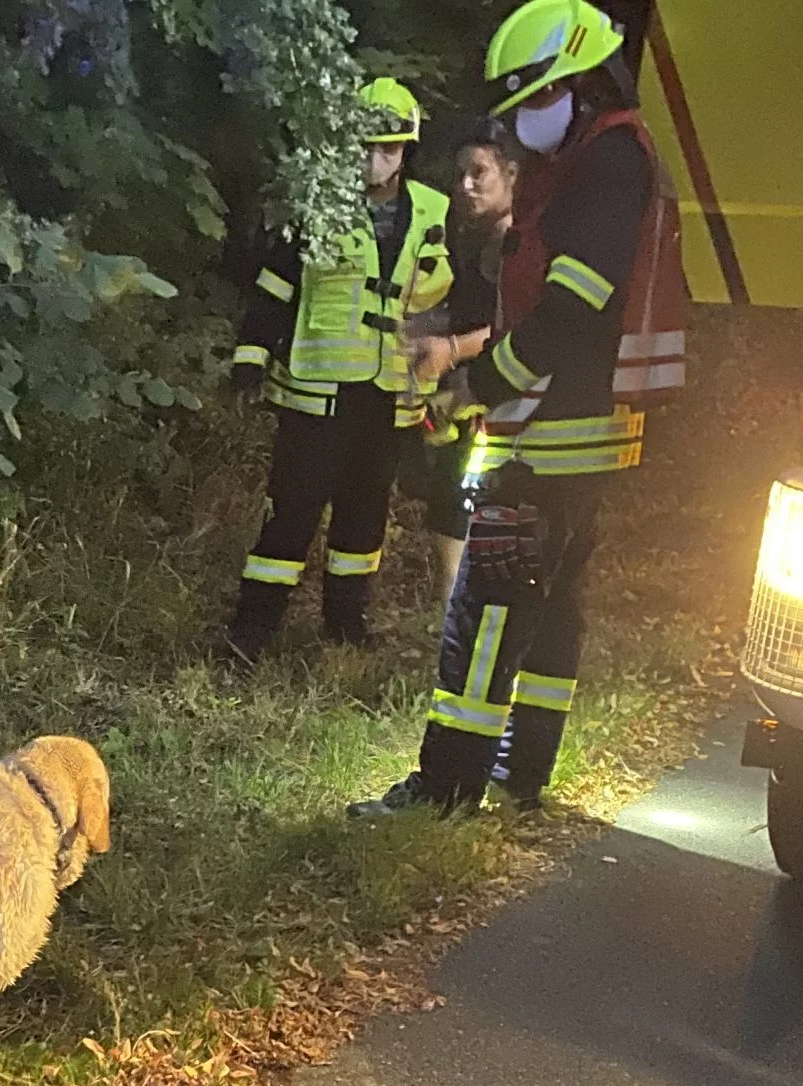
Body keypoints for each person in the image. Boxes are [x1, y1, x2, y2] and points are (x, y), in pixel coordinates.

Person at [353, 0, 654, 817]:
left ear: (582, 83)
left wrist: (481, 387)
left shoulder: (606, 166)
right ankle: (522, 774)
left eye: (536, 100)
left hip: (548, 441)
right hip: (577, 437)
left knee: (483, 610)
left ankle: (446, 788)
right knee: (553, 610)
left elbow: (570, 308)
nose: (526, 121)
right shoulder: (604, 159)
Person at [224, 77, 454, 665]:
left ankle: (345, 622)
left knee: (364, 517)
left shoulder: (434, 212)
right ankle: (252, 630)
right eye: (364, 147)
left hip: (388, 397)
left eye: (389, 149)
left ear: (407, 151)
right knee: (292, 514)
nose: (374, 161)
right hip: (314, 395)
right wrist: (252, 356)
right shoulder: (314, 209)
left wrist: (449, 378)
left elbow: (444, 304)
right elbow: (276, 285)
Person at [404, 125, 521, 612]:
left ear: (511, 174)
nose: (465, 186)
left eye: (479, 174)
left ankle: (468, 603)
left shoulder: (512, 242)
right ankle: (450, 601)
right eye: (460, 175)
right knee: (450, 489)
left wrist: (450, 350)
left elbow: (512, 324)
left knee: (470, 493)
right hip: (471, 390)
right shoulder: (476, 236)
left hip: (500, 391)